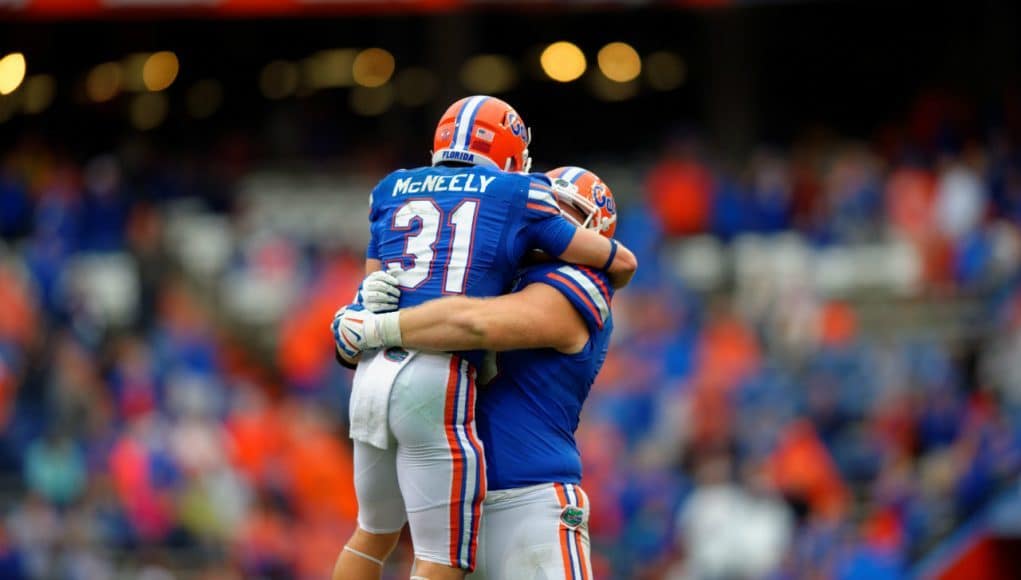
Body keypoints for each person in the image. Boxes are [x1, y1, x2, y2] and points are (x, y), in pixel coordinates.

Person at [331, 95, 637, 580]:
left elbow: (475, 322)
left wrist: (377, 326)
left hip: (530, 499)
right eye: (549, 208)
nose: (549, 224)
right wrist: (357, 307)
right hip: (465, 495)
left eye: (567, 215)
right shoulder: (497, 264)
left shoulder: (580, 282)